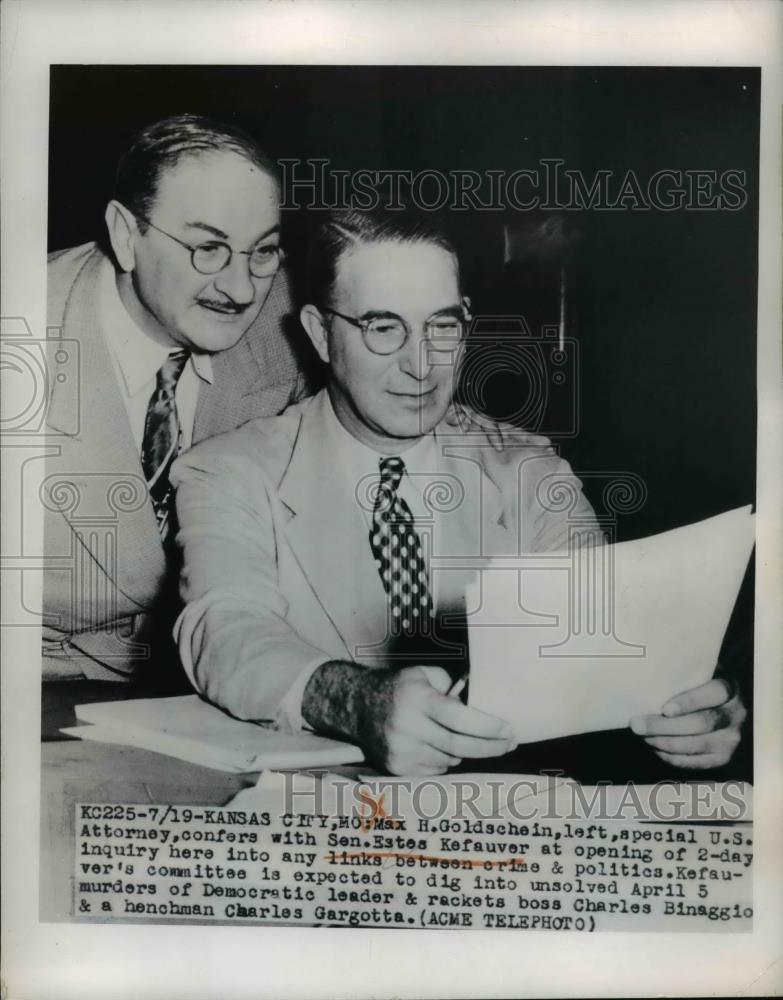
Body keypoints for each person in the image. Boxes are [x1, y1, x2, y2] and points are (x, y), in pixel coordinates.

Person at [173, 209, 746, 777]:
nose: (420, 364)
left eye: (441, 325)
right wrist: (354, 700)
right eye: (383, 326)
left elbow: (607, 634)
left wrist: (690, 697)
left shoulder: (528, 470)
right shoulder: (229, 471)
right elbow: (224, 630)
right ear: (321, 334)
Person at [42, 114, 313, 683]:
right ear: (125, 234)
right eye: (208, 248)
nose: (241, 290)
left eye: (262, 252)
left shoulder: (289, 327)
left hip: (211, 681)